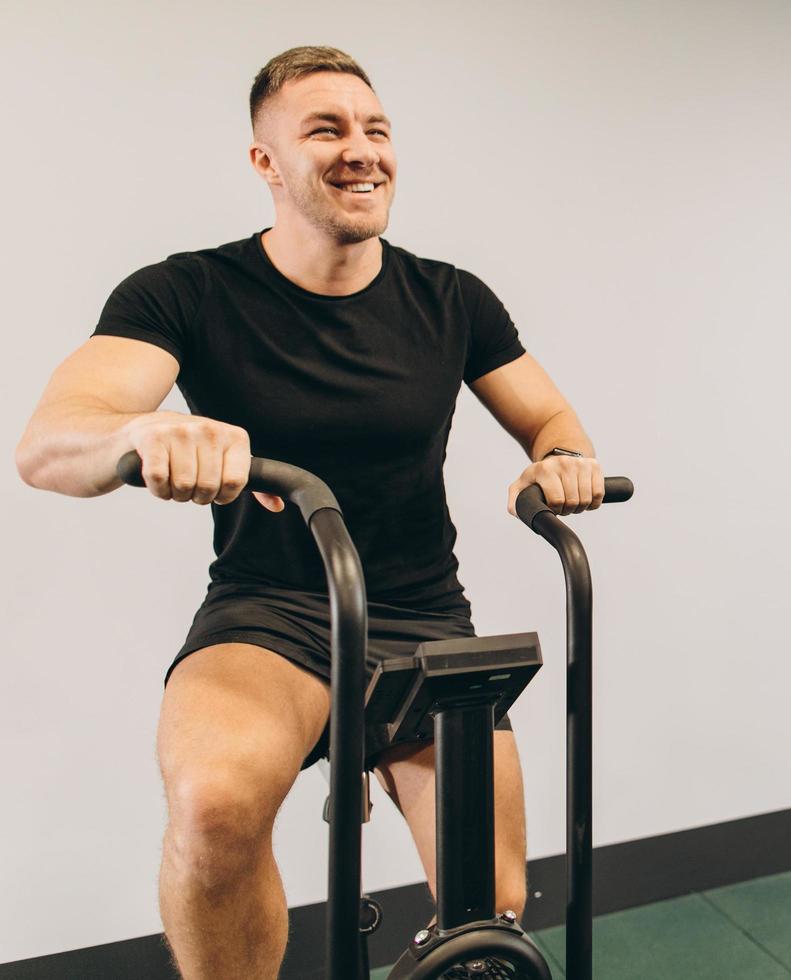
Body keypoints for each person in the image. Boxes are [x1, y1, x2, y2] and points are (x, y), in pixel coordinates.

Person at [14, 46, 604, 980]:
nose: (361, 150)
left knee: (488, 910)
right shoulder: (188, 291)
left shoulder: (450, 298)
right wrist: (141, 434)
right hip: (271, 611)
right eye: (325, 130)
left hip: (423, 622)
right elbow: (50, 443)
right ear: (265, 162)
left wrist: (562, 460)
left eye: (375, 129)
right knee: (213, 808)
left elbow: (549, 419)